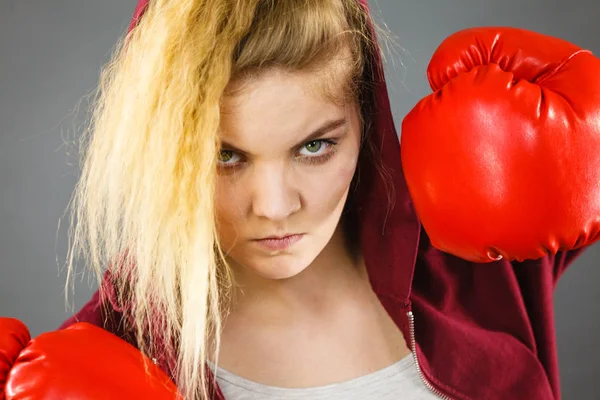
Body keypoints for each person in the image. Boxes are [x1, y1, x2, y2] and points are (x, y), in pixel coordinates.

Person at [57, 0, 600, 399]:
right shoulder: (107, 357)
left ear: (367, 121)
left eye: (314, 146)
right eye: (224, 156)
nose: (272, 206)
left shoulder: (474, 254)